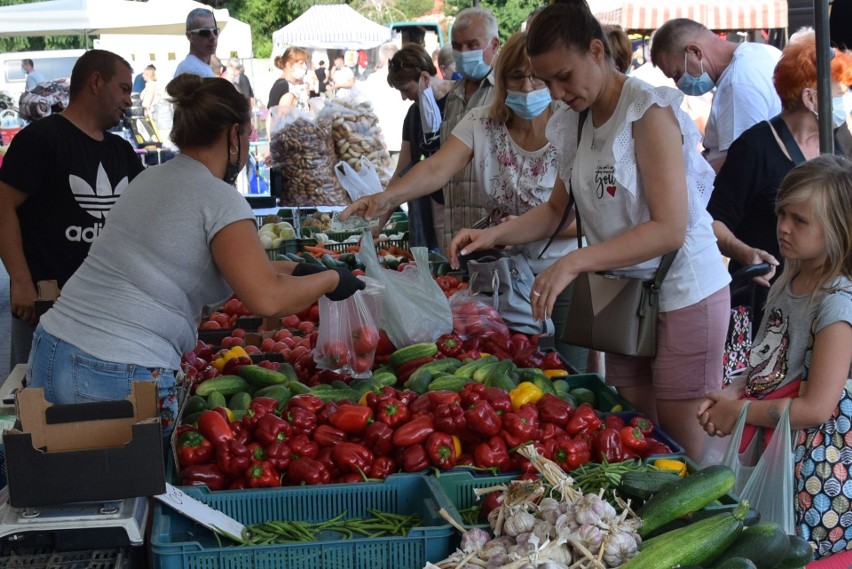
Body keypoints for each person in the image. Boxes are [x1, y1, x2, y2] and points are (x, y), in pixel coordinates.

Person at [447, 0, 731, 459]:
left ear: (596, 51)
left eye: (564, 76)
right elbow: (556, 208)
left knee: (683, 450)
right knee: (638, 437)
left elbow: (669, 229)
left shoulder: (646, 111)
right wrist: (494, 235)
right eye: (547, 80)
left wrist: (574, 262)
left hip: (684, 293)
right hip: (626, 298)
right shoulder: (572, 120)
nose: (556, 92)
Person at [26, 74, 366, 434]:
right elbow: (266, 298)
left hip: (54, 347)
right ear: (233, 133)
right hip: (117, 368)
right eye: (248, 136)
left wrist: (298, 270)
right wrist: (331, 278)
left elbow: (236, 264)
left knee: (66, 486)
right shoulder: (218, 198)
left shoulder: (150, 178)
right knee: (123, 488)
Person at [342, 33, 589, 371]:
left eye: (536, 76)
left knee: (566, 374)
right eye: (517, 76)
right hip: (501, 279)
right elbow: (436, 168)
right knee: (510, 370)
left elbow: (584, 217)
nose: (528, 87)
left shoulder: (574, 126)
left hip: (565, 275)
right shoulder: (482, 122)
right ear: (502, 79)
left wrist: (510, 231)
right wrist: (385, 198)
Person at [698, 154, 852, 562]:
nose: (783, 227)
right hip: (774, 447)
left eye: (800, 220)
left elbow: (817, 407)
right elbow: (768, 360)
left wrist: (741, 411)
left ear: (837, 228)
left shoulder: (837, 306)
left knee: (790, 552)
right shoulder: (791, 276)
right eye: (782, 213)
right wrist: (730, 393)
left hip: (811, 468)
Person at [0, 50, 144, 370]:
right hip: (46, 309)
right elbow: (3, 205)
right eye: (123, 89)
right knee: (36, 403)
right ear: (95, 82)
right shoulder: (40, 140)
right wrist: (21, 282)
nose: (129, 101)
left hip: (106, 310)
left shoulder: (121, 151)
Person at [709, 30, 852, 336]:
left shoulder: (839, 138)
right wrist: (745, 252)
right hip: (764, 304)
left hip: (825, 301)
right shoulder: (755, 147)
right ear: (810, 97)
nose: (845, 101)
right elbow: (713, 221)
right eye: (840, 93)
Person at [650, 18, 782, 171]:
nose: (679, 84)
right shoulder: (764, 52)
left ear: (695, 52)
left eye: (677, 74)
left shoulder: (736, 82)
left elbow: (742, 162)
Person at [436, 6, 501, 250]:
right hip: (457, 233)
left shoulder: (508, 94)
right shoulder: (454, 95)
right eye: (457, 46)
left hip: (496, 239)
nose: (463, 53)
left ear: (494, 45)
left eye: (473, 45)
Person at [384, 44, 456, 250]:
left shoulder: (459, 102)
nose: (404, 97)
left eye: (406, 89)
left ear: (424, 78)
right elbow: (401, 171)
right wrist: (379, 221)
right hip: (439, 205)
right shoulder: (414, 115)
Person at [174, 7, 219, 78]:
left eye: (215, 31)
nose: (213, 37)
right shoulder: (194, 71)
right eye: (205, 32)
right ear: (190, 36)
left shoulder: (197, 66)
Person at [268, 47, 311, 113]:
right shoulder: (288, 88)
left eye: (305, 63)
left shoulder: (280, 84)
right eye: (301, 63)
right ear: (289, 65)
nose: (305, 67)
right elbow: (283, 118)